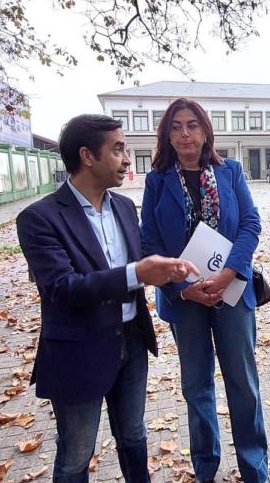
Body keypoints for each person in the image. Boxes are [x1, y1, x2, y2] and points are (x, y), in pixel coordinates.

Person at [16, 114, 198, 483]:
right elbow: (62, 289)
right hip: (79, 349)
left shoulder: (124, 208)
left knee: (134, 436)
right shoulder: (39, 218)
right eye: (118, 150)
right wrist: (137, 274)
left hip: (132, 340)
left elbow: (142, 264)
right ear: (87, 156)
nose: (127, 159)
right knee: (76, 453)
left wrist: (168, 273)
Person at [140, 98, 269, 483]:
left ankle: (254, 470)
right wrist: (182, 288)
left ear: (205, 130)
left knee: (243, 384)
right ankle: (205, 470)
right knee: (197, 387)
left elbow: (250, 224)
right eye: (176, 126)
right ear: (167, 134)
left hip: (231, 293)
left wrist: (229, 273)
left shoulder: (230, 172)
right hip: (185, 301)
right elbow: (149, 242)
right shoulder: (156, 180)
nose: (185, 133)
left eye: (192, 125)